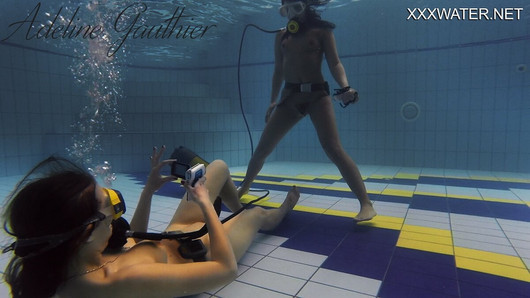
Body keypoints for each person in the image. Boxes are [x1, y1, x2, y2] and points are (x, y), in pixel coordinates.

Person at [2, 146, 300, 298]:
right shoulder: (118, 282)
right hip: (204, 251)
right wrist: (206, 205)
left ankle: (234, 203)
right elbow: (225, 271)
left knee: (218, 168)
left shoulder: (76, 258)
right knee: (255, 216)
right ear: (85, 232)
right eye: (110, 210)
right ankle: (277, 213)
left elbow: (134, 237)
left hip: (171, 235)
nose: (117, 213)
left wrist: (148, 190)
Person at [237, 0, 376, 222]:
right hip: (290, 97)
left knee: (334, 149)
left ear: (305, 5)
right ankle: (243, 188)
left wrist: (345, 86)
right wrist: (273, 102)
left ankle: (365, 203)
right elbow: (278, 72)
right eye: (285, 7)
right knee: (263, 148)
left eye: (294, 5)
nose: (290, 11)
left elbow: (335, 63)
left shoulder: (322, 31)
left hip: (317, 96)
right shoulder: (282, 36)